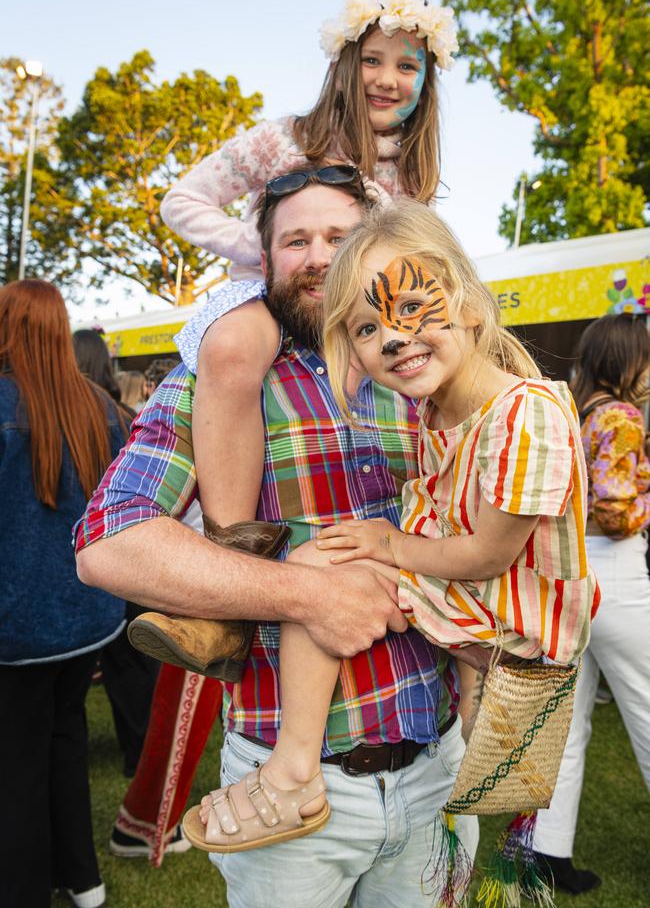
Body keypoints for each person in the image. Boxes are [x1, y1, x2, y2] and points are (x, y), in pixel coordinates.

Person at [76, 174, 479, 908]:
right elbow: (109, 541)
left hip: (438, 772)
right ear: (264, 261)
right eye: (296, 241)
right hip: (288, 795)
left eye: (339, 237)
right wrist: (309, 594)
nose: (319, 257)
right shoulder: (221, 379)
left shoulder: (424, 373)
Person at [183, 199, 599, 858]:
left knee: (325, 566)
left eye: (411, 308)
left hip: (517, 623)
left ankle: (292, 771)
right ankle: (474, 727)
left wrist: (385, 543)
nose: (395, 338)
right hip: (482, 608)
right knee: (330, 562)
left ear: (466, 301)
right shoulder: (438, 413)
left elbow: (491, 553)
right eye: (369, 329)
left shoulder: (529, 411)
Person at [151, 0, 458, 669]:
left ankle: (447, 564)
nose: (388, 78)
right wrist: (262, 252)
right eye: (373, 60)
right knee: (230, 348)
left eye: (408, 66)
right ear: (345, 64)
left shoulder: (411, 173)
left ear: (426, 80)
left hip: (360, 318)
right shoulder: (286, 137)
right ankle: (230, 582)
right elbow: (183, 198)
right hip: (275, 300)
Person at [0, 280, 129, 908]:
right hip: (84, 615)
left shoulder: (75, 406)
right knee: (62, 738)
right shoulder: (100, 405)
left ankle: (27, 889)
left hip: (18, 623)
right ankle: (83, 879)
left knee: (19, 760)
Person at [533, 313, 650, 894]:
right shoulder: (621, 417)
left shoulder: (570, 411)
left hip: (570, 578)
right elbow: (616, 513)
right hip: (616, 577)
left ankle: (547, 854)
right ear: (627, 360)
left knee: (569, 725)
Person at [73, 328, 160, 779]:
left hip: (89, 563)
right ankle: (140, 755)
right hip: (128, 563)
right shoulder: (122, 415)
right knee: (132, 668)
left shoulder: (75, 415)